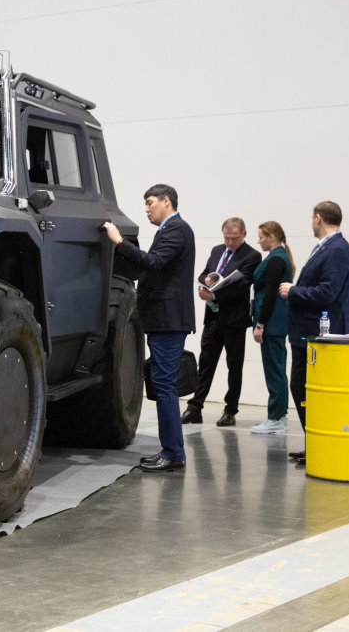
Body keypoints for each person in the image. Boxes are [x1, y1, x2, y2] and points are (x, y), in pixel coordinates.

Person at [104, 184, 195, 473]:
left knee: (165, 385)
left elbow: (153, 262)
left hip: (169, 321)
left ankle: (173, 453)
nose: (146, 209)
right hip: (163, 320)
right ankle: (171, 450)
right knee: (162, 383)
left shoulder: (177, 230)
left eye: (150, 203)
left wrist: (120, 242)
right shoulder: (168, 231)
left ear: (167, 201)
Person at [279, 201, 349, 464]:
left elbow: (328, 292)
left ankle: (320, 446)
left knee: (308, 390)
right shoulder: (326, 247)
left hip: (320, 333)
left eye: (312, 218)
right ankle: (314, 443)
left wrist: (293, 290)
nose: (311, 223)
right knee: (304, 390)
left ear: (318, 218)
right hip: (308, 332)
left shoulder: (337, 249)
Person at [181, 217, 261, 427]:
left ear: (244, 234)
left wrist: (215, 295)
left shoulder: (252, 255)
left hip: (234, 320)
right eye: (227, 238)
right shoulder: (217, 250)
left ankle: (230, 410)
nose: (230, 242)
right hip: (213, 318)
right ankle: (195, 407)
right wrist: (205, 281)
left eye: (234, 238)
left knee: (234, 366)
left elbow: (242, 284)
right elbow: (204, 273)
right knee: (205, 363)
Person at [249, 221, 295, 434]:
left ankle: (276, 417)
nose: (259, 241)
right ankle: (279, 416)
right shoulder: (277, 257)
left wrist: (260, 324)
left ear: (272, 237)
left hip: (272, 322)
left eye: (261, 237)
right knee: (276, 369)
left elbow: (270, 295)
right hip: (274, 322)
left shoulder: (276, 259)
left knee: (274, 371)